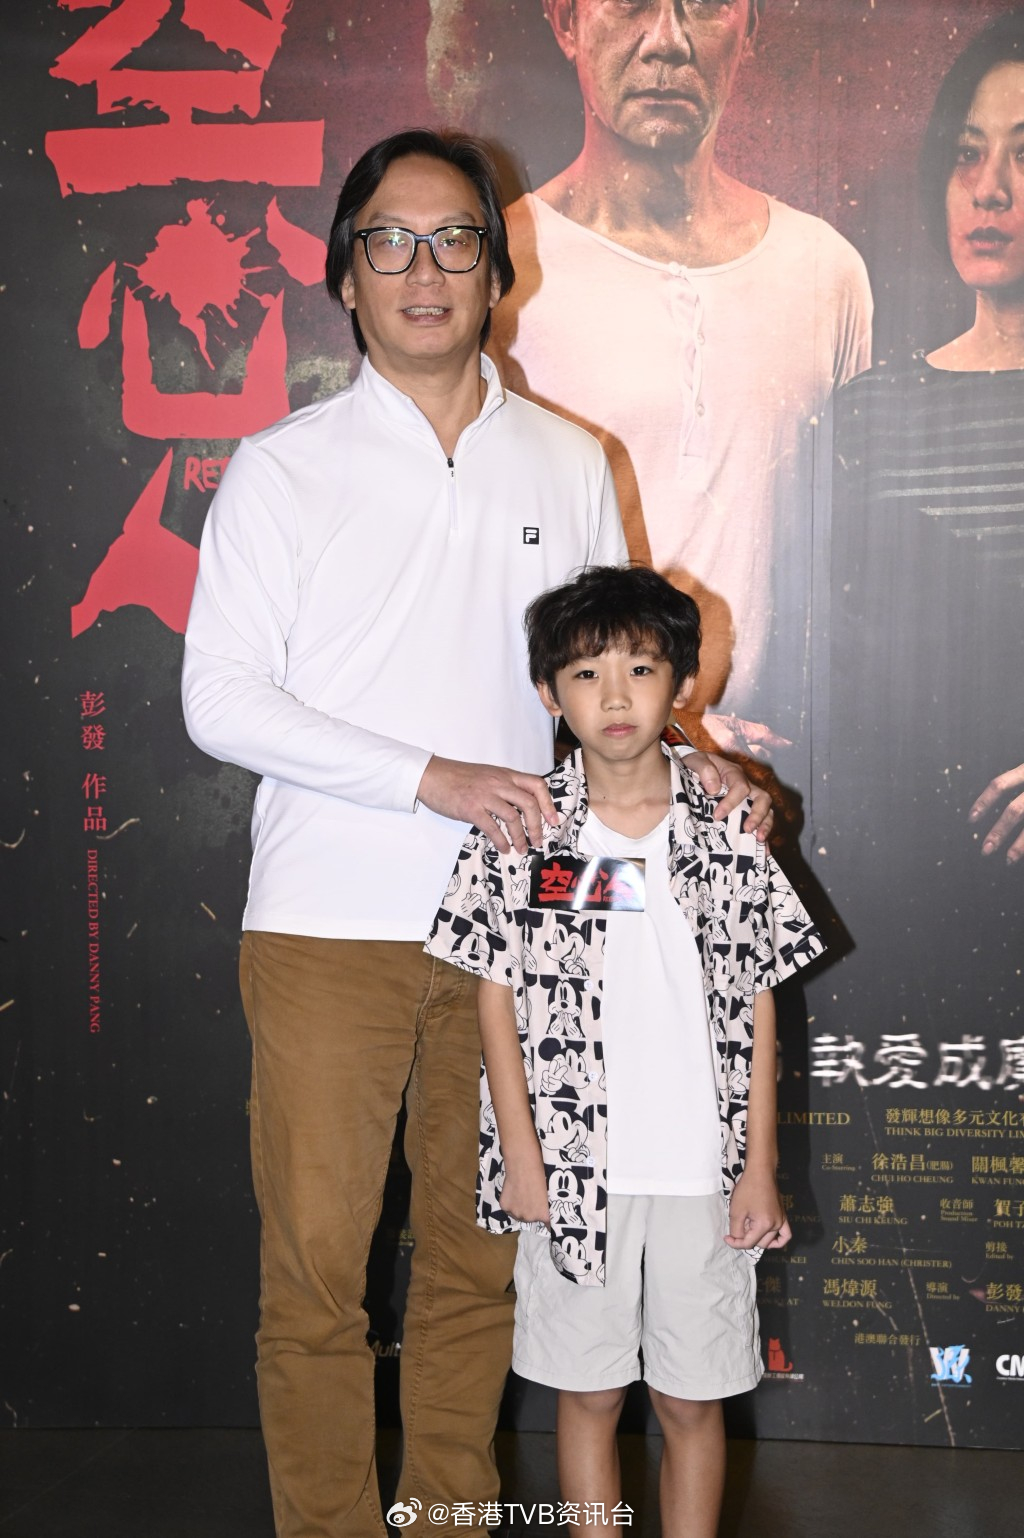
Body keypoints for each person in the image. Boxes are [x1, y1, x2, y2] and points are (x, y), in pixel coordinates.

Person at [182, 130, 771, 1538]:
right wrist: (428, 777)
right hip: (326, 923)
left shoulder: (568, 459)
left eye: (455, 239)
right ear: (345, 273)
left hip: (531, 929)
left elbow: (611, 671)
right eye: (389, 240)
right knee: (317, 1274)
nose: (424, 268)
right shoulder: (281, 467)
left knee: (479, 1262)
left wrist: (704, 767)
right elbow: (219, 699)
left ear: (501, 272)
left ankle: (447, 1517)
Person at [426, 565, 823, 1537]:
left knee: (692, 1398)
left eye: (640, 669)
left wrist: (758, 1166)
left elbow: (760, 1000)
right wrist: (521, 1155)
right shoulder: (520, 830)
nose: (614, 697)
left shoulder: (731, 829)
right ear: (547, 693)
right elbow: (494, 997)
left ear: (680, 684)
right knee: (589, 1390)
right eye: (585, 673)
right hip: (571, 1168)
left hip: (701, 1169)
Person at [488, 0, 873, 757]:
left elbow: (852, 573)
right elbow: (471, 568)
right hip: (566, 780)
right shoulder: (496, 272)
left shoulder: (826, 272)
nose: (666, 39)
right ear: (565, 21)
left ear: (750, 28)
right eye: (631, 2)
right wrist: (650, 731)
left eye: (703, 3)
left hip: (774, 781)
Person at [824, 11, 1024, 1058]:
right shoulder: (867, 412)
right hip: (903, 900)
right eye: (966, 154)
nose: (989, 189)